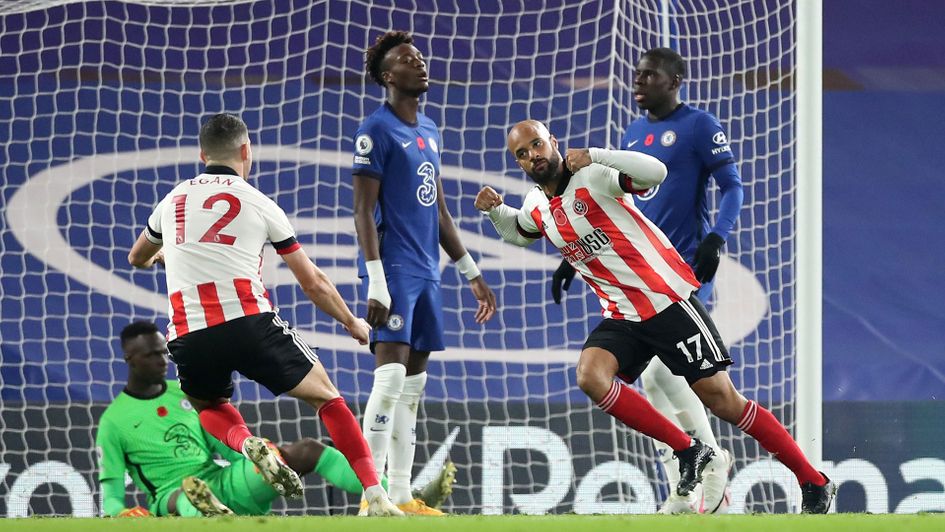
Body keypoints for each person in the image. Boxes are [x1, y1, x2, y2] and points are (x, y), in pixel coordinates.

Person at [475, 120, 836, 514]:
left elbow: (656, 172)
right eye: (522, 154)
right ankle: (689, 450)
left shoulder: (592, 175)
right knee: (590, 376)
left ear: (553, 142)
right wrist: (496, 213)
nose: (533, 156)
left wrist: (596, 154)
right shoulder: (535, 204)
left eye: (537, 144)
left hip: (665, 301)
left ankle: (814, 481)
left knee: (724, 401)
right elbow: (520, 232)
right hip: (622, 314)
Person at [128, 113, 402, 516]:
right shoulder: (259, 203)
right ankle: (376, 495)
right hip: (249, 323)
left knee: (207, 406)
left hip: (190, 334)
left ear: (203, 154)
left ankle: (245, 443)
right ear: (246, 151)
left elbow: (137, 257)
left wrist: (162, 257)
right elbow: (314, 283)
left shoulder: (172, 200)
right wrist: (350, 322)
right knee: (327, 399)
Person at [549, 47, 744, 514]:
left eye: (649, 74)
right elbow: (616, 204)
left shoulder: (699, 126)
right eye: (636, 74)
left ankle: (709, 460)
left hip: (680, 271)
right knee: (654, 382)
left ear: (674, 80)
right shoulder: (634, 132)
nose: (638, 81)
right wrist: (570, 257)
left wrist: (717, 236)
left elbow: (732, 185)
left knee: (660, 371)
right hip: (634, 273)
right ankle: (694, 471)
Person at [351, 30, 497, 516]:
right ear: (389, 76)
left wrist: (470, 270)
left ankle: (400, 495)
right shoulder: (376, 129)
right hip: (393, 269)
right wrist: (375, 279)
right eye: (408, 60)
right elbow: (362, 211)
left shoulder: (430, 129)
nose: (420, 63)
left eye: (420, 57)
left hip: (427, 273)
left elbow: (438, 210)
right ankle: (370, 497)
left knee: (412, 390)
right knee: (389, 381)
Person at [95, 321, 456, 517]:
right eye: (151, 355)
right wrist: (120, 513)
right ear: (129, 359)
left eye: (163, 352)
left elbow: (222, 444)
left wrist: (261, 462)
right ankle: (209, 515)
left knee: (309, 450)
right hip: (168, 498)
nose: (162, 360)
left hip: (223, 480)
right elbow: (110, 493)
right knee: (184, 498)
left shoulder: (185, 392)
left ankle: (391, 497)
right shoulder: (114, 421)